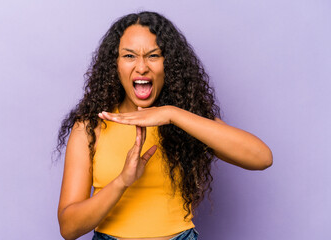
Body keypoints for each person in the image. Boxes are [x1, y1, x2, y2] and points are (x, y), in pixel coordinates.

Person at [56, 11, 273, 240]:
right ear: (115, 64)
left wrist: (172, 114)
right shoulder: (90, 128)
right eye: (129, 56)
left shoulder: (186, 120)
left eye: (153, 56)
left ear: (168, 64)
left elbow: (262, 158)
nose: (141, 68)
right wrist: (122, 182)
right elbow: (69, 228)